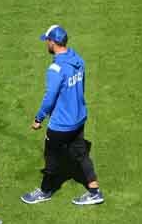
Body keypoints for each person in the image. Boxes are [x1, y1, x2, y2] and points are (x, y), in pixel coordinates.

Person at [20, 25, 103, 206]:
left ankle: (45, 190)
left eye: (47, 41)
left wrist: (38, 118)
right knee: (81, 154)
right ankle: (95, 191)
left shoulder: (56, 69)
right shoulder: (78, 59)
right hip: (79, 118)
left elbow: (49, 98)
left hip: (61, 124)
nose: (46, 44)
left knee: (51, 157)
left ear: (53, 42)